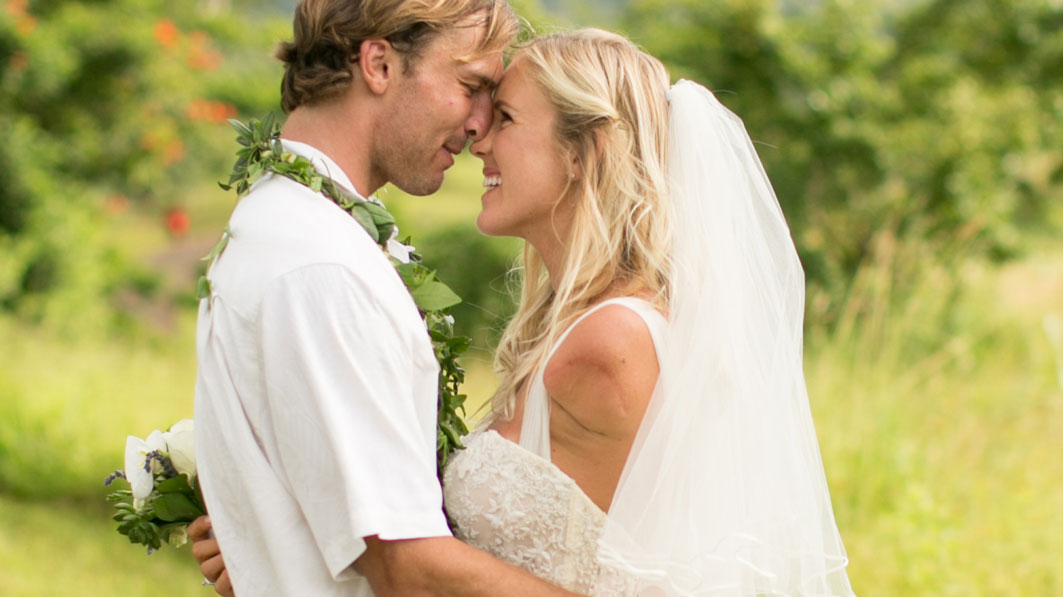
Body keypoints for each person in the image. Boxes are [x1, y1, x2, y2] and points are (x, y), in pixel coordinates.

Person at [197, 26, 856, 596]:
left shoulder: (612, 343)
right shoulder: (574, 326)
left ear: (585, 151)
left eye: (506, 118)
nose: (479, 138)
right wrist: (284, 547)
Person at [190, 0, 579, 595]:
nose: (480, 124)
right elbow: (407, 568)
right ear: (378, 64)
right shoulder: (322, 267)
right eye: (470, 84)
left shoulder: (291, 226)